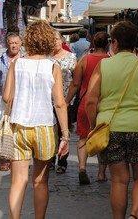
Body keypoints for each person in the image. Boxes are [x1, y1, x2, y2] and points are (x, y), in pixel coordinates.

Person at [85, 21, 138, 219]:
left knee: (119, 180)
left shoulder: (103, 65)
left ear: (113, 43)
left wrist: (92, 125)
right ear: (135, 44)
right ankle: (135, 215)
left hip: (110, 128)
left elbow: (91, 100)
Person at [2, 20, 70, 219]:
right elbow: (59, 103)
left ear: (28, 40)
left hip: (19, 126)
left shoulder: (16, 63)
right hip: (44, 127)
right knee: (40, 181)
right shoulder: (53, 66)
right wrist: (65, 134)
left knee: (18, 180)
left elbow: (6, 97)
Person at [65, 32, 110, 185]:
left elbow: (75, 84)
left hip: (85, 103)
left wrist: (66, 102)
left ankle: (82, 168)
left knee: (83, 137)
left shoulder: (84, 60)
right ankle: (101, 172)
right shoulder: (110, 61)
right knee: (103, 138)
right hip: (105, 104)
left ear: (92, 44)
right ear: (108, 44)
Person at [0, 33, 22, 171]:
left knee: (18, 129)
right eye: (11, 43)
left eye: (16, 43)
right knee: (4, 129)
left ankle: (17, 157)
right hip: (4, 99)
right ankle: (4, 159)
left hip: (21, 100)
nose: (14, 45)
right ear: (7, 44)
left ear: (20, 44)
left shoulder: (25, 60)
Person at [51, 31, 77, 174]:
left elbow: (76, 80)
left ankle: (62, 161)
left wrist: (69, 99)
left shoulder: (71, 58)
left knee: (63, 130)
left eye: (56, 39)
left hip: (66, 100)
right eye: (51, 39)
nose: (54, 42)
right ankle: (49, 159)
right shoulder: (46, 58)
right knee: (50, 130)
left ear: (62, 41)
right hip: (48, 100)